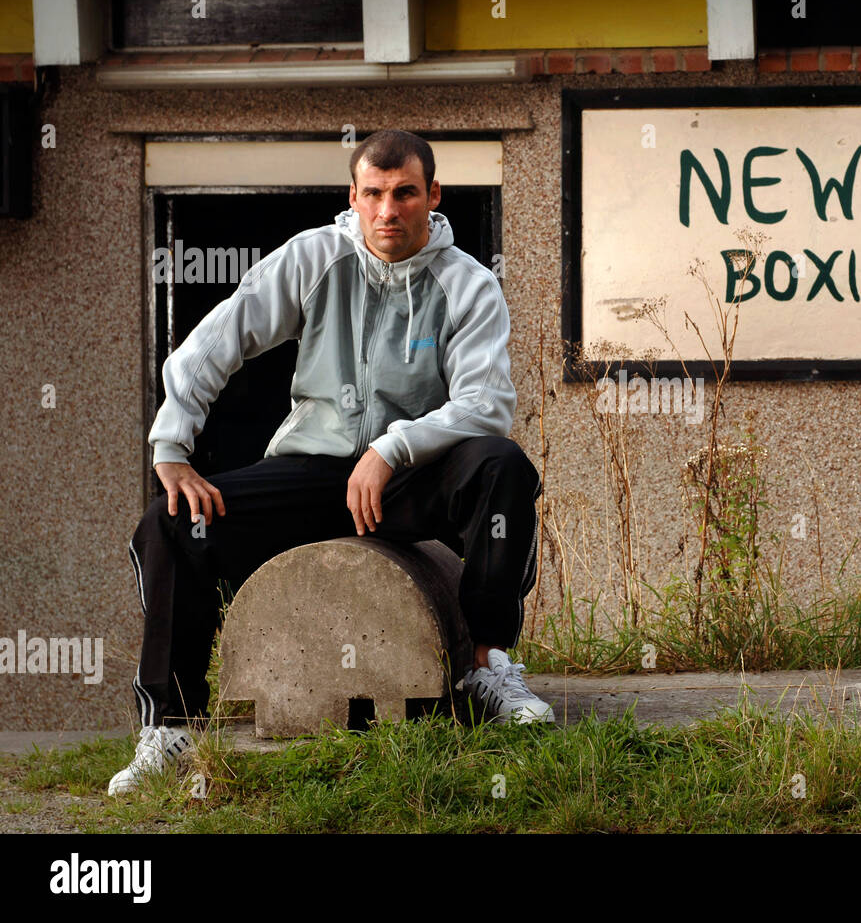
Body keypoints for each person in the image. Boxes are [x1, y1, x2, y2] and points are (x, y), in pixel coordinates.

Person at [110, 129, 553, 796]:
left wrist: (392, 447)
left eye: (405, 193)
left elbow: (486, 403)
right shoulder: (315, 257)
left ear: (433, 195)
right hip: (315, 471)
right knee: (172, 521)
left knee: (501, 463)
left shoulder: (469, 284)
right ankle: (170, 725)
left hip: (415, 477)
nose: (388, 210)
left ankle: (489, 667)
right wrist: (171, 443)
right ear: (353, 196)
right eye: (373, 193)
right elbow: (221, 335)